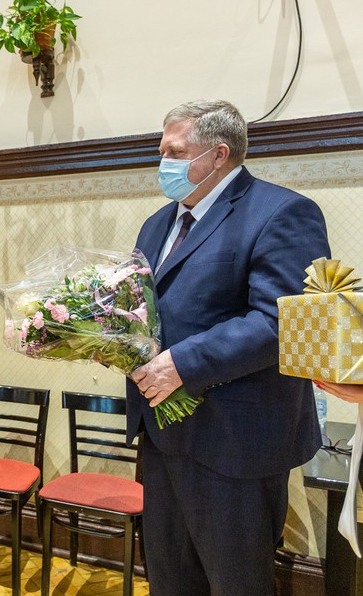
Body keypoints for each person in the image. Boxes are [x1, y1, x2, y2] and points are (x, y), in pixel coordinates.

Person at [126, 100, 330, 596]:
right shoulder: (156, 224)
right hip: (162, 432)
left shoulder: (282, 212)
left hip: (236, 442)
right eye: (161, 151)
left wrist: (183, 362)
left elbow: (282, 321)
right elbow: (144, 309)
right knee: (170, 580)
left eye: (175, 152)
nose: (163, 162)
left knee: (235, 582)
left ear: (219, 155)